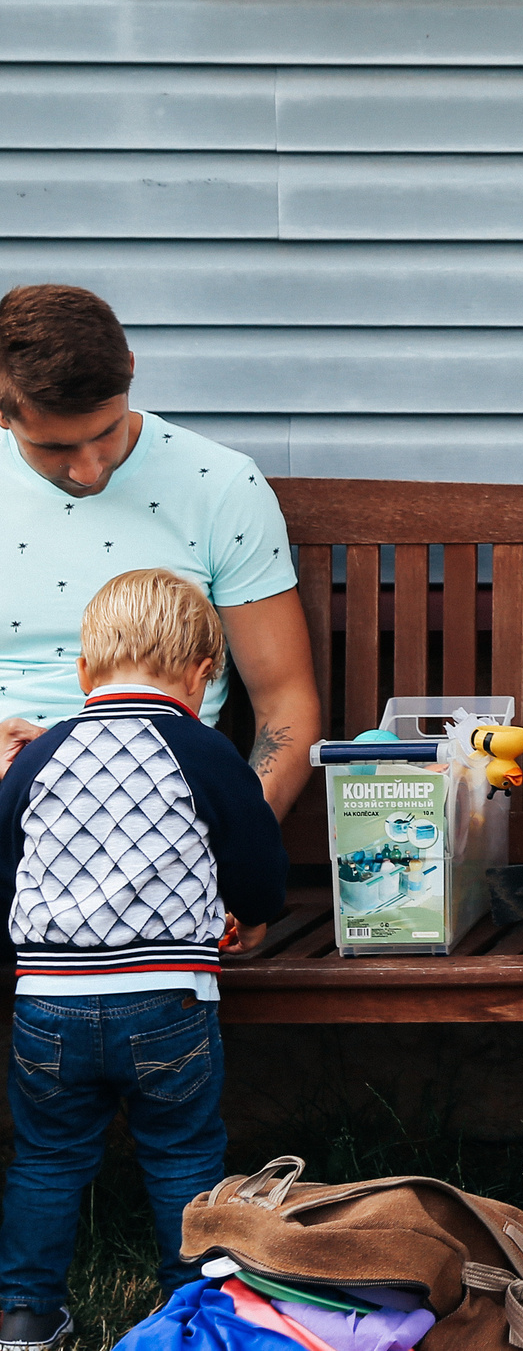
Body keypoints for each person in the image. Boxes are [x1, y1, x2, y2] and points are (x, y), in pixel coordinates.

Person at [0, 569, 289, 1346]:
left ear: (84, 672)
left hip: (48, 1002)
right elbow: (256, 855)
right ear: (205, 673)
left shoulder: (42, 754)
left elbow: (6, 858)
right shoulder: (201, 748)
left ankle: (26, 1314)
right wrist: (255, 910)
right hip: (166, 998)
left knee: (47, 1155)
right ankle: (187, 1306)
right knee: (181, 1150)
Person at [0, 285, 320, 816]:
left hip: (158, 814)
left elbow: (284, 705)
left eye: (105, 433)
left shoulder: (219, 488)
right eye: (55, 448)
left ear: (129, 369)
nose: (89, 470)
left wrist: (233, 839)